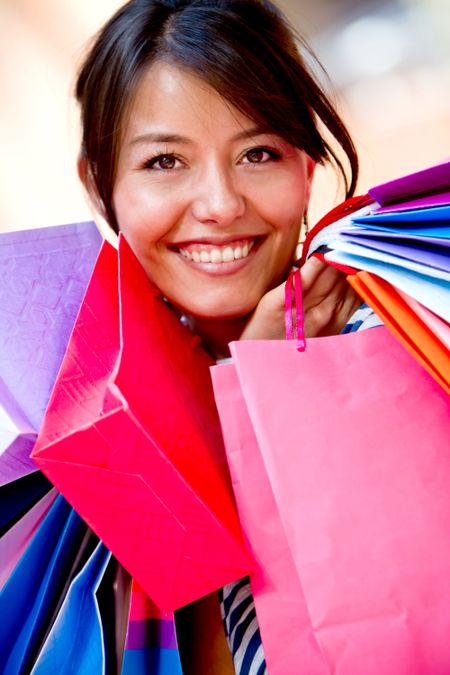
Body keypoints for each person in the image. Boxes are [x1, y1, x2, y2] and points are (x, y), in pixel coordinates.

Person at [74, 0, 379, 672]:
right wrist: (247, 385)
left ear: (306, 168)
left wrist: (278, 387)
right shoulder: (79, 431)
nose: (218, 204)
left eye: (258, 152)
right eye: (164, 162)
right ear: (101, 183)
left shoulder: (404, 348)